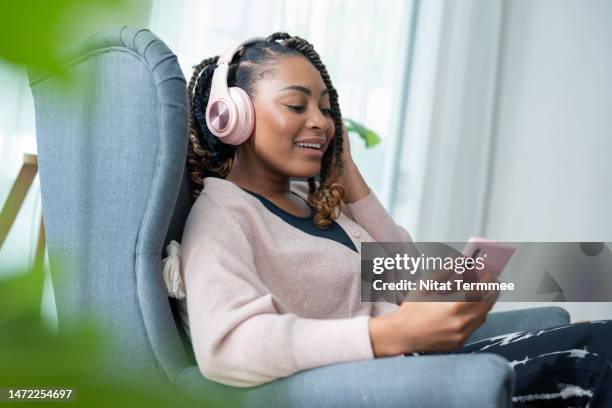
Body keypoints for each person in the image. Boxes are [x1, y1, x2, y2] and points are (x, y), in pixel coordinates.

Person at [179, 32, 612, 406]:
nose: (320, 122)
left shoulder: (313, 207)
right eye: (296, 105)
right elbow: (227, 346)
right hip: (383, 384)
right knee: (598, 354)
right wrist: (389, 335)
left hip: (416, 365)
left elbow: (404, 283)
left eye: (327, 110)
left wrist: (350, 176)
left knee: (604, 337)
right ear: (230, 116)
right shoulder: (223, 213)